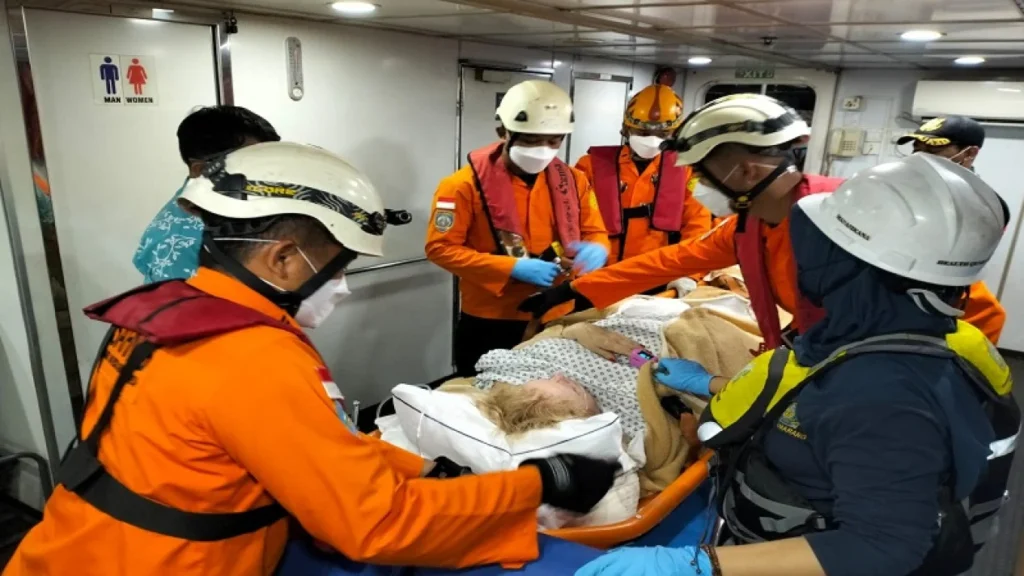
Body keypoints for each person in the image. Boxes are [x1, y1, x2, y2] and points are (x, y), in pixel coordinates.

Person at [4, 142, 620, 576]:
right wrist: (538, 483)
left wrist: (424, 472)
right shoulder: (250, 358)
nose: (343, 283)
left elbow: (309, 444)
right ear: (281, 258)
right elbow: (376, 526)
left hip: (71, 548)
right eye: (339, 263)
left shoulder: (161, 313)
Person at [576, 153, 1020, 576]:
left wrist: (700, 566)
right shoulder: (920, 335)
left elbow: (883, 546)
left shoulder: (884, 391)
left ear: (851, 263)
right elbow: (819, 404)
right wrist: (711, 383)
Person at [520, 94, 1007, 346]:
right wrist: (578, 291)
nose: (695, 187)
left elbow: (973, 308)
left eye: (701, 173)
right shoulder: (751, 224)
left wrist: (937, 382)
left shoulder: (856, 214)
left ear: (744, 170)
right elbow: (673, 259)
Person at [425, 79, 610, 376]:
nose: (543, 149)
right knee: (482, 394)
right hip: (491, 317)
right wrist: (510, 267)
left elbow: (595, 230)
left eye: (554, 141)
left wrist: (599, 248)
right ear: (504, 132)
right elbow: (440, 249)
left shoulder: (574, 181)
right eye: (531, 139)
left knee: (551, 394)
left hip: (557, 310)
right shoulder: (461, 186)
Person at [132, 105, 280, 283]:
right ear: (201, 169)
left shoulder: (233, 204)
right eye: (251, 161)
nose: (267, 171)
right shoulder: (178, 242)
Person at [575, 85, 712, 265]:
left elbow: (697, 227)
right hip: (602, 268)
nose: (652, 140)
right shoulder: (590, 165)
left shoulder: (687, 170)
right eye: (643, 133)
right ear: (626, 129)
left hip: (659, 270)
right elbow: (573, 217)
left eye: (662, 134)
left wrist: (690, 273)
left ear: (676, 134)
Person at [897, 114, 984, 169]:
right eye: (916, 150)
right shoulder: (903, 184)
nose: (919, 157)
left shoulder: (980, 196)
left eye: (932, 150)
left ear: (970, 153)